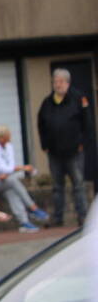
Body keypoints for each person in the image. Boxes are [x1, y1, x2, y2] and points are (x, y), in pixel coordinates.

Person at [37, 68, 92, 227]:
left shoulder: (78, 99)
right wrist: (44, 145)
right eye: (55, 81)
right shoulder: (47, 103)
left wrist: (82, 143)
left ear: (67, 83)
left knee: (78, 185)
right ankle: (58, 219)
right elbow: (41, 124)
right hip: (54, 153)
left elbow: (87, 123)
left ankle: (83, 217)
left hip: (74, 151)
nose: (57, 85)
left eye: (60, 81)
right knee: (57, 187)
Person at [0, 125, 48, 234]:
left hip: (2, 181)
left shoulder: (8, 146)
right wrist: (22, 168)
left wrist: (7, 172)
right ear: (1, 138)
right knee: (12, 180)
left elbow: (9, 166)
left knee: (10, 189)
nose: (10, 137)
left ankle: (24, 222)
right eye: (7, 135)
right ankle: (33, 208)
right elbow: (1, 168)